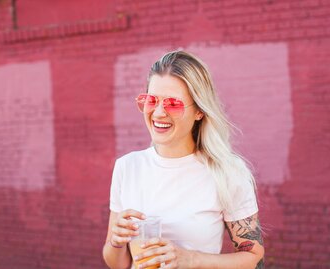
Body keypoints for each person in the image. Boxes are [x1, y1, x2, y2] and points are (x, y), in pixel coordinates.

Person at [102, 50, 264, 269]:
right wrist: (116, 242)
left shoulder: (227, 172)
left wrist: (191, 259)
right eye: (151, 100)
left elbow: (254, 259)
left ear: (199, 111)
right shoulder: (127, 167)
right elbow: (118, 264)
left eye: (173, 104)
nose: (158, 113)